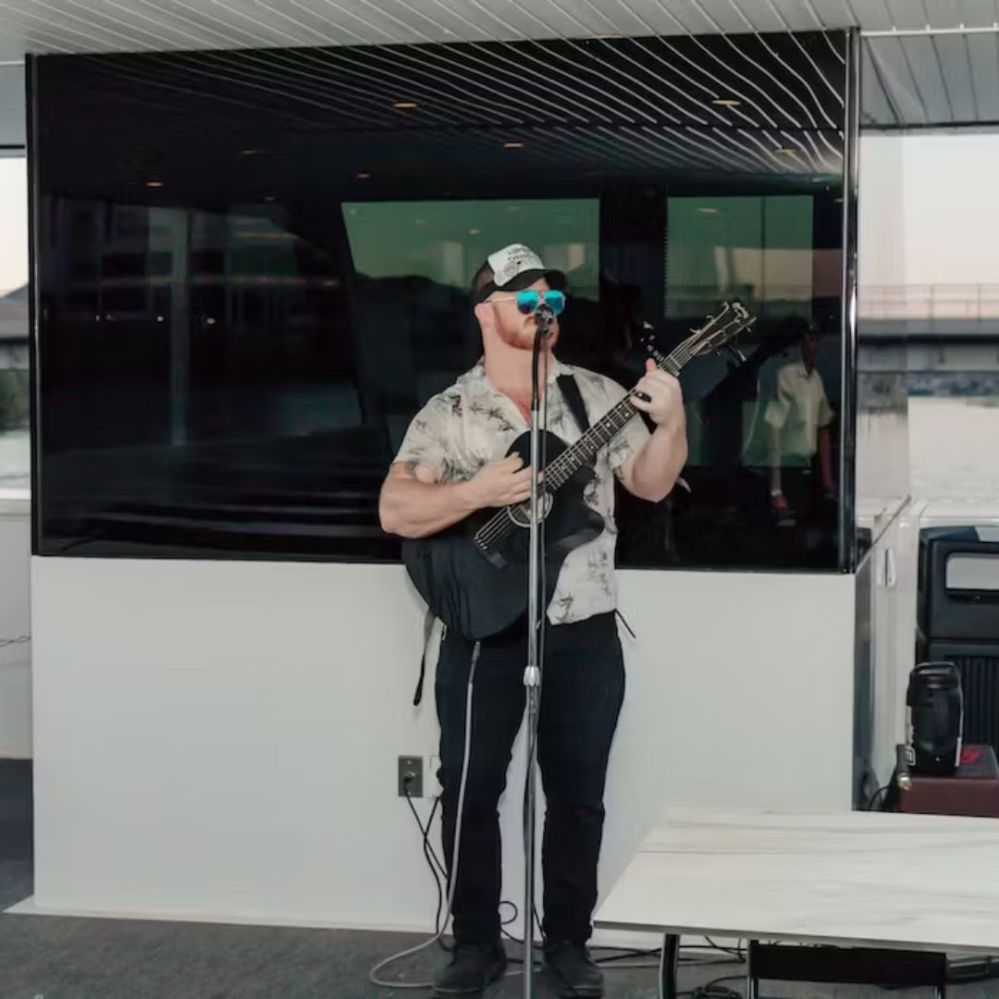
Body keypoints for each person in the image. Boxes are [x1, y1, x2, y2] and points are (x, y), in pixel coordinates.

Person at [379, 243, 687, 998]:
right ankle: (476, 944)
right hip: (485, 630)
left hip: (583, 629)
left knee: (577, 793)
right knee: (471, 787)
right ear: (486, 311)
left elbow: (649, 483)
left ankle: (568, 944)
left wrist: (673, 421)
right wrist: (477, 491)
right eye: (522, 296)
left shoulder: (593, 395)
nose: (539, 305)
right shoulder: (450, 412)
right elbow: (396, 509)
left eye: (548, 294)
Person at [765, 327, 835, 519]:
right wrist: (776, 490)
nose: (814, 345)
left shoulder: (816, 379)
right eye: (810, 339)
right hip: (788, 472)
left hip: (809, 471)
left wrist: (828, 481)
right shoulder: (786, 376)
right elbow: (774, 432)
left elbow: (823, 430)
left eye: (816, 340)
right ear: (802, 343)